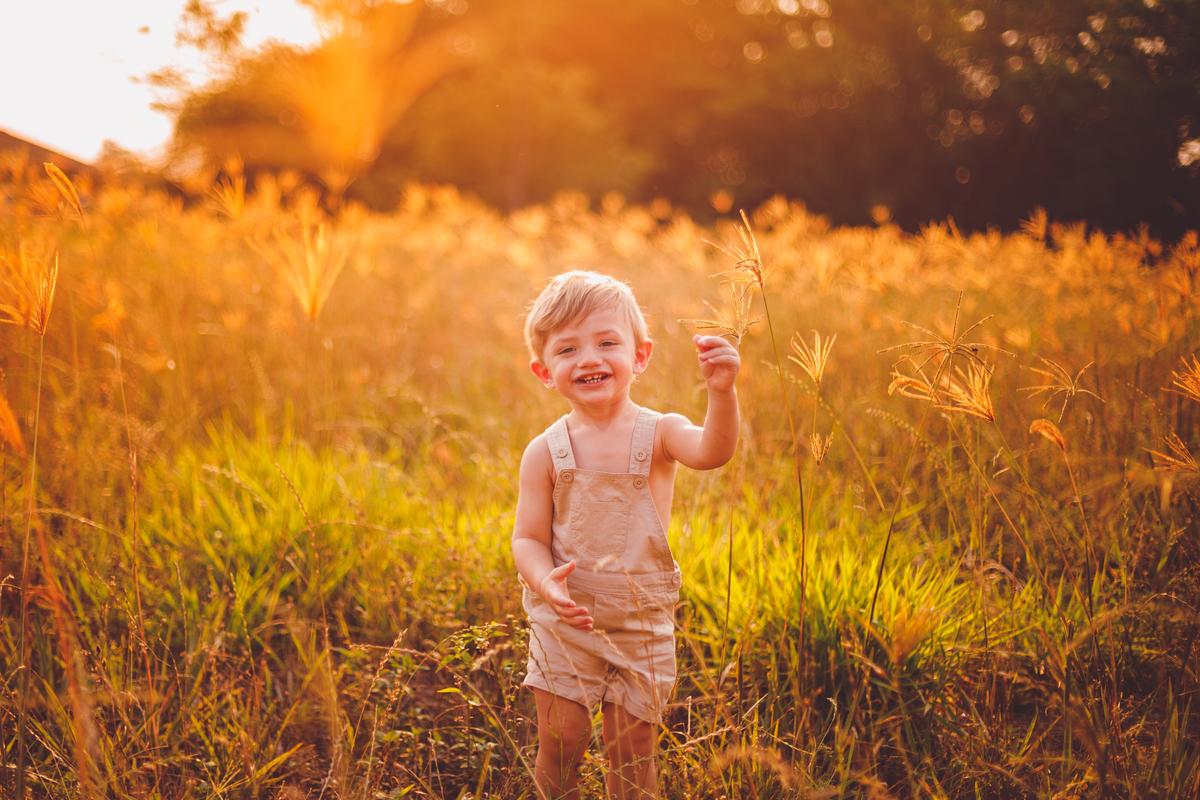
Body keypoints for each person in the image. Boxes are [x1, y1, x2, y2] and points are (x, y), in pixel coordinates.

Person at [513, 270, 740, 799]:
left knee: (632, 749)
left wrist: (722, 393)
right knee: (561, 739)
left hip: (640, 624)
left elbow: (713, 452)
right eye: (568, 349)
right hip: (565, 620)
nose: (588, 358)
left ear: (640, 356)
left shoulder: (661, 432)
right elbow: (527, 539)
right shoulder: (544, 451)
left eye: (607, 343)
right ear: (544, 371)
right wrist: (546, 583)